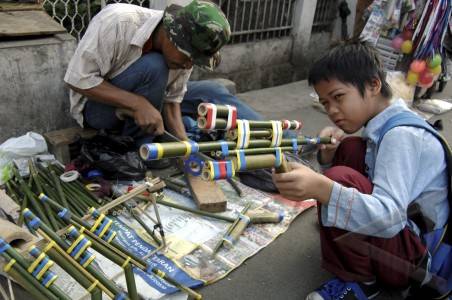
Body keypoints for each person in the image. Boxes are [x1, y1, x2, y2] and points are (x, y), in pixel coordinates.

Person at [272, 41, 450, 299]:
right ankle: (346, 242)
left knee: (336, 181)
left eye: (338, 97)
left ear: (373, 85)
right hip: (404, 241)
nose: (331, 111)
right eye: (324, 102)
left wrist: (324, 188)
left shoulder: (401, 136)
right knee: (350, 149)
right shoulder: (385, 123)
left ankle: (362, 282)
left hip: (415, 263)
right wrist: (328, 157)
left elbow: (388, 218)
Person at [64, 0, 262, 147]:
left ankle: (279, 137)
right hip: (97, 110)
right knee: (156, 65)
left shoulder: (185, 54)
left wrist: (185, 147)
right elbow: (76, 79)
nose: (188, 65)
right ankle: (141, 148)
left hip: (152, 95)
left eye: (194, 60)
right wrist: (137, 103)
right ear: (170, 34)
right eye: (187, 57)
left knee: (213, 91)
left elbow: (172, 101)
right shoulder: (117, 21)